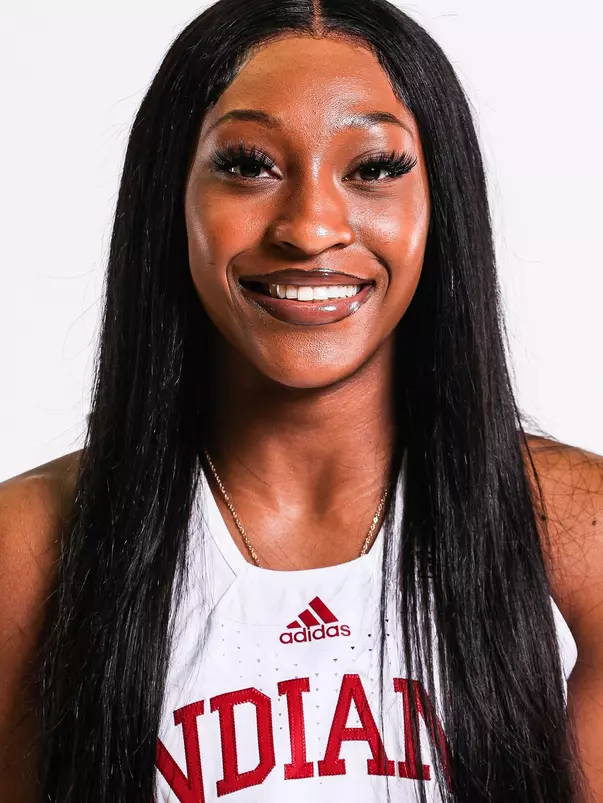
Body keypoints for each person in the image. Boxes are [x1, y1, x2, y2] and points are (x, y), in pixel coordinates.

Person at [1, 0, 602, 800]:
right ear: (169, 195)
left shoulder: (578, 538)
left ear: (440, 203)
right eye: (249, 163)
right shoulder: (27, 550)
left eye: (374, 169)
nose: (311, 227)